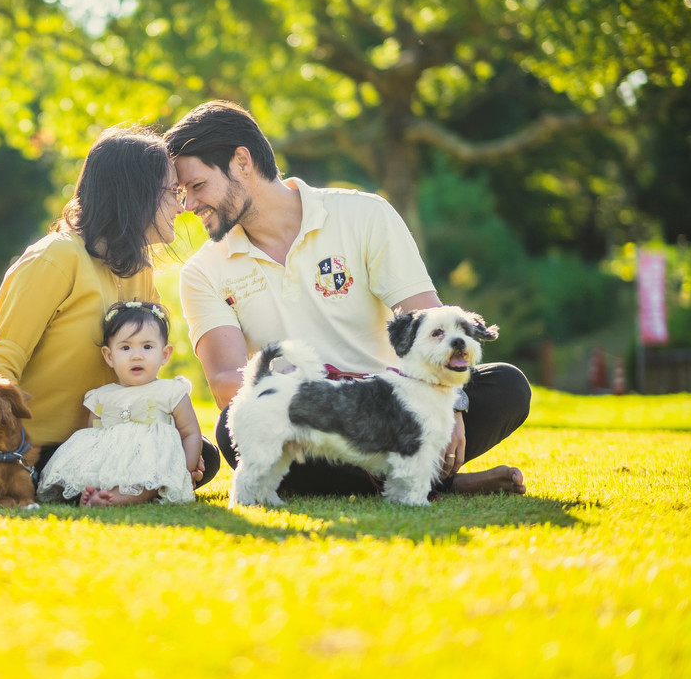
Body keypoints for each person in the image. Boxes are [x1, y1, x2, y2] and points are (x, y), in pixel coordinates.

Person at [164, 100, 529, 497]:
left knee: (507, 385)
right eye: (182, 194)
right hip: (308, 415)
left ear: (241, 162)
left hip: (395, 409)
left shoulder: (364, 214)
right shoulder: (201, 272)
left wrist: (454, 399)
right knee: (233, 427)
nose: (189, 206)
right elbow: (223, 381)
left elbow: (427, 318)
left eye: (197, 187)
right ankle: (439, 486)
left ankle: (408, 479)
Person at [0, 126, 221, 506]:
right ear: (135, 194)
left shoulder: (138, 269)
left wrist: (161, 441)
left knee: (202, 455)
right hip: (36, 449)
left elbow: (141, 370)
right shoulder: (55, 258)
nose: (181, 207)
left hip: (103, 436)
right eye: (171, 193)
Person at [37, 301, 203, 507]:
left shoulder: (171, 391)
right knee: (87, 469)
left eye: (147, 347)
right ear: (109, 356)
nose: (136, 355)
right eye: (125, 347)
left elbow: (190, 432)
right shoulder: (100, 396)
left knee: (148, 478)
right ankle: (93, 492)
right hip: (112, 461)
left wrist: (184, 470)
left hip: (151, 461)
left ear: (165, 354)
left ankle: (115, 499)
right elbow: (92, 434)